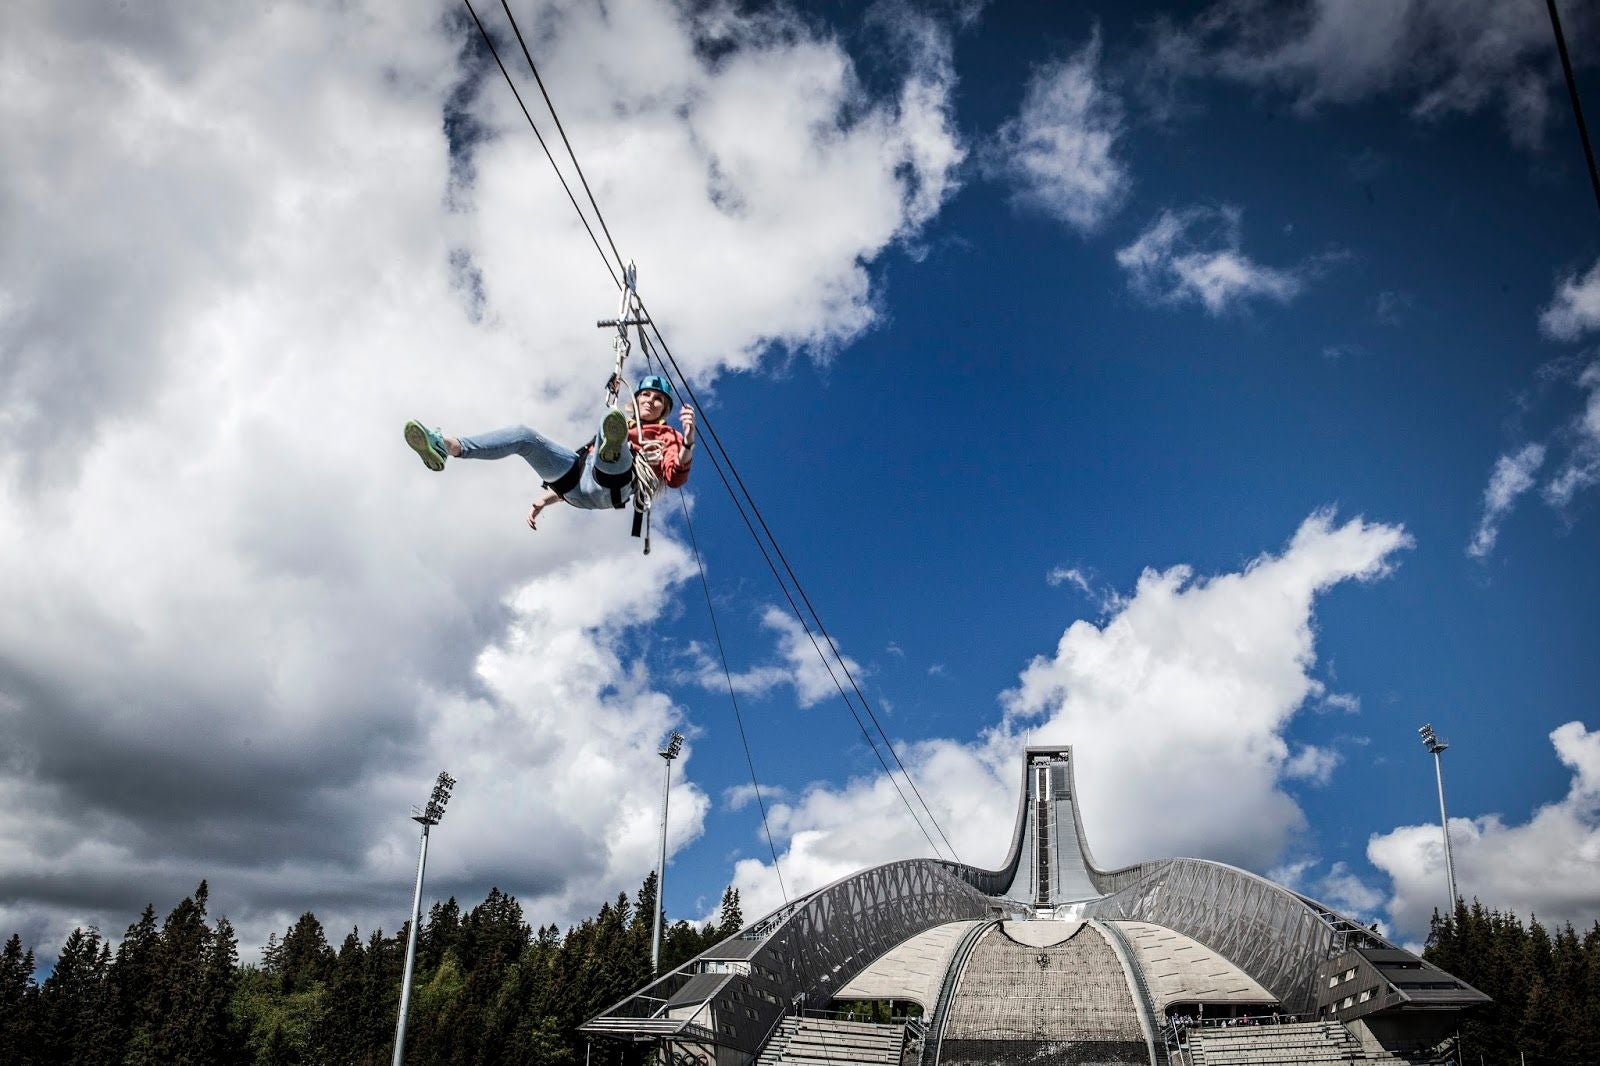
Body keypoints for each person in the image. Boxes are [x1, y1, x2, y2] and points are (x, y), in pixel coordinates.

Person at [404, 374, 696, 530]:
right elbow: (582, 477)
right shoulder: (621, 422)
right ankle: (447, 446)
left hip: (613, 485)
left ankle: (613, 452)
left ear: (664, 410)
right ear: (637, 398)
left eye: (658, 400)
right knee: (524, 436)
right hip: (575, 482)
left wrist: (688, 438)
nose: (651, 401)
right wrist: (543, 501)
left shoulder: (667, 436)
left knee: (611, 426)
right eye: (646, 394)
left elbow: (675, 477)